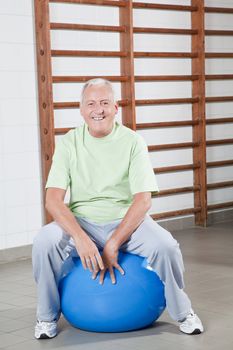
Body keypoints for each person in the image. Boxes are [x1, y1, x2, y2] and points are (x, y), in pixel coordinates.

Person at [32, 78, 204, 339]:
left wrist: (113, 243)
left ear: (115, 107)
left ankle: (183, 313)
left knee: (166, 246)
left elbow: (143, 200)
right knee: (44, 241)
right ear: (81, 109)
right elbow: (53, 200)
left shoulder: (133, 142)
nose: (97, 110)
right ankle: (46, 317)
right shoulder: (69, 143)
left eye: (104, 103)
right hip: (83, 222)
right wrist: (80, 238)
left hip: (126, 222)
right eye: (90, 103)